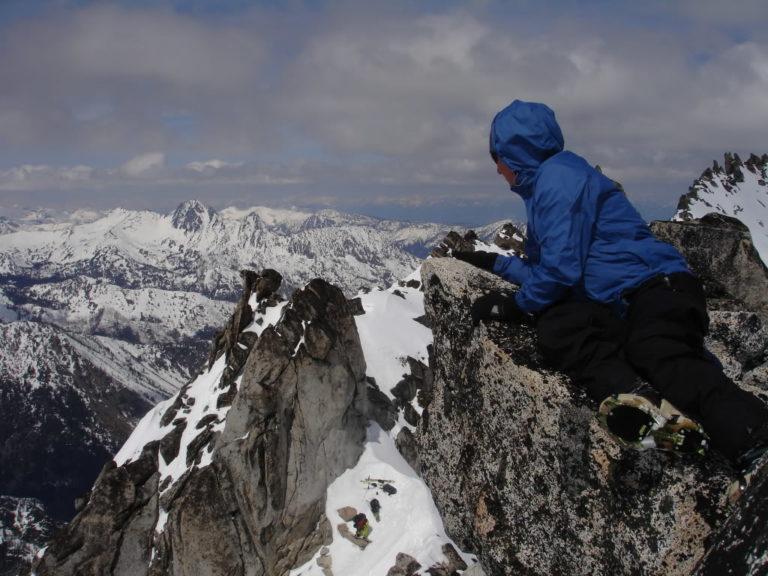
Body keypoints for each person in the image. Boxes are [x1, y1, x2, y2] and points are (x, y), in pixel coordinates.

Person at [451, 99, 768, 498]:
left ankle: (755, 441)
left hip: (658, 287)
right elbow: (549, 269)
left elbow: (560, 270)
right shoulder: (545, 190)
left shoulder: (559, 179)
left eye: (497, 158)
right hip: (620, 301)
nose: (497, 170)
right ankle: (645, 405)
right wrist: (494, 265)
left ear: (514, 153)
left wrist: (516, 305)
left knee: (658, 351)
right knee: (558, 327)